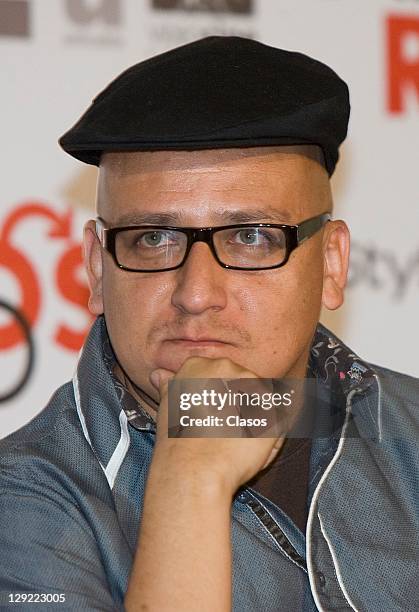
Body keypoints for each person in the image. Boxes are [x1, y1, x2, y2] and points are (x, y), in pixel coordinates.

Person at [0, 36, 417, 612]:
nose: (195, 294)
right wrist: (190, 482)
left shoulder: (409, 436)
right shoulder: (21, 506)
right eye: (153, 239)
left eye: (250, 237)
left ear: (331, 263)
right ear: (98, 269)